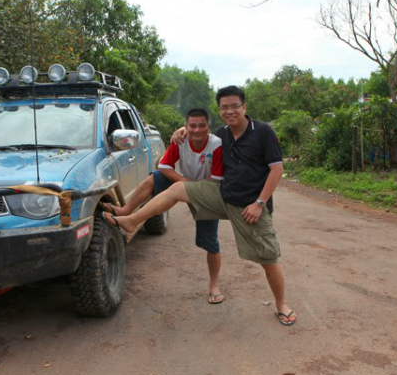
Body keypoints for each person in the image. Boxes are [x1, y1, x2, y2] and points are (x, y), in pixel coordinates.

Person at [105, 86, 296, 326]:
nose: (230, 111)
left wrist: (259, 203)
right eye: (224, 107)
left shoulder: (263, 132)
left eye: (234, 106)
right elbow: (198, 133)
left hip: (250, 204)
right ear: (220, 110)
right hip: (220, 194)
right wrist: (182, 130)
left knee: (268, 258)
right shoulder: (222, 134)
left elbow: (276, 169)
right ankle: (132, 220)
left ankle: (281, 304)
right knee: (174, 188)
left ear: (244, 107)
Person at [103, 108, 226, 304]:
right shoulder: (180, 140)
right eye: (192, 126)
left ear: (208, 127)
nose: (197, 130)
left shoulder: (217, 145)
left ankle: (214, 286)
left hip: (207, 191)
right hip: (185, 183)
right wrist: (184, 182)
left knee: (211, 243)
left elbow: (217, 178)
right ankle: (127, 211)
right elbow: (164, 166)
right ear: (185, 127)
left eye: (202, 125)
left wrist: (189, 187)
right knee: (155, 177)